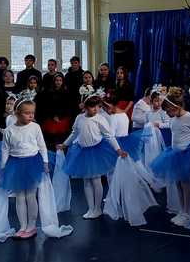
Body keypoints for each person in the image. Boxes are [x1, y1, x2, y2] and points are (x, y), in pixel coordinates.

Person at [57, 89, 127, 219]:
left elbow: (109, 136)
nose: (95, 109)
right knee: (86, 181)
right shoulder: (79, 118)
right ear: (85, 106)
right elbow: (74, 133)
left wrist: (118, 150)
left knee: (95, 180)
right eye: (92, 106)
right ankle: (90, 208)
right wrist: (65, 144)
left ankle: (97, 208)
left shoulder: (100, 119)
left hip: (96, 151)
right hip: (82, 152)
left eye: (98, 106)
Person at [150, 87, 190, 227]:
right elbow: (169, 125)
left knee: (185, 185)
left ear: (176, 106)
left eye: (168, 110)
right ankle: (182, 210)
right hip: (174, 154)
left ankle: (187, 212)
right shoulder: (173, 118)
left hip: (186, 155)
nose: (167, 113)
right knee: (178, 184)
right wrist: (160, 124)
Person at [0, 99, 49, 239]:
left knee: (30, 195)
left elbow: (42, 145)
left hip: (32, 163)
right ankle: (22, 226)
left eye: (32, 113)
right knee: (19, 197)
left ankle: (32, 225)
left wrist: (45, 162)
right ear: (17, 113)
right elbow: (5, 149)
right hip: (15, 164)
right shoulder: (9, 130)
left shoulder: (35, 127)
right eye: (27, 113)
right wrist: (3, 167)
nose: (31, 116)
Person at [35, 72, 70, 150]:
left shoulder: (66, 92)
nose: (58, 82)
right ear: (54, 81)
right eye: (56, 80)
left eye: (60, 80)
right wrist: (53, 116)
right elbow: (45, 106)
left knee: (62, 139)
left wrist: (60, 116)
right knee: (50, 140)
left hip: (62, 118)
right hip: (50, 118)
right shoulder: (47, 92)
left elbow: (67, 106)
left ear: (63, 82)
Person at [104, 95, 143, 160]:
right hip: (126, 142)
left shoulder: (113, 117)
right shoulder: (124, 114)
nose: (107, 110)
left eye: (108, 107)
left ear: (114, 106)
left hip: (118, 145)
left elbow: (111, 136)